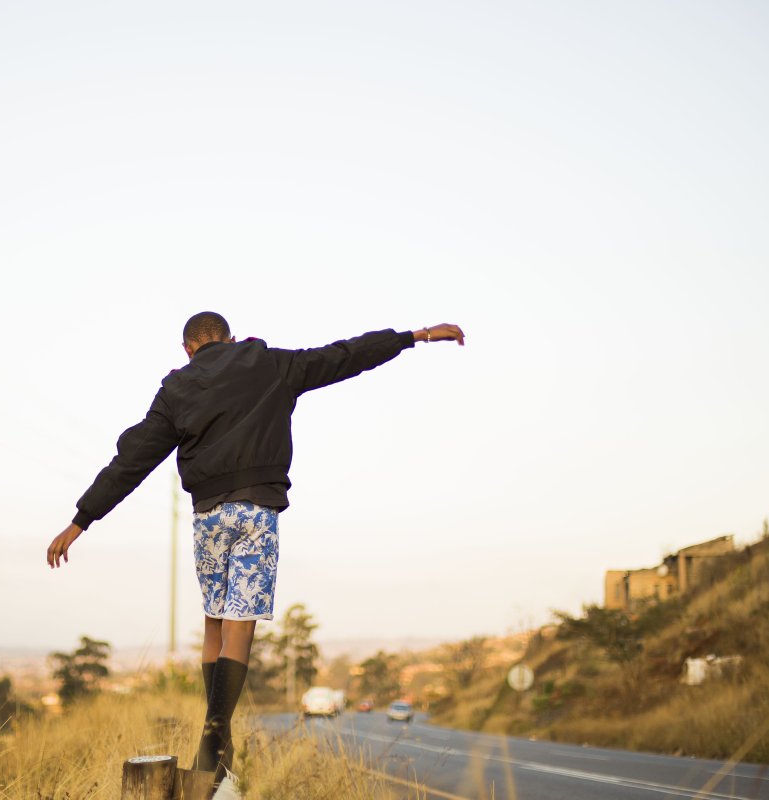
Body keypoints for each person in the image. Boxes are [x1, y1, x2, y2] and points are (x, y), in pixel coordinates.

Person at [46, 312, 465, 786]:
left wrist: (81, 519)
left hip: (209, 517)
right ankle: (217, 730)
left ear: (188, 349)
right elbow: (345, 355)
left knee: (214, 621)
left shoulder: (176, 390)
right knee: (239, 623)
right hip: (256, 512)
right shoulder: (269, 364)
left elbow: (134, 457)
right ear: (228, 336)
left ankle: (215, 733)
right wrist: (415, 336)